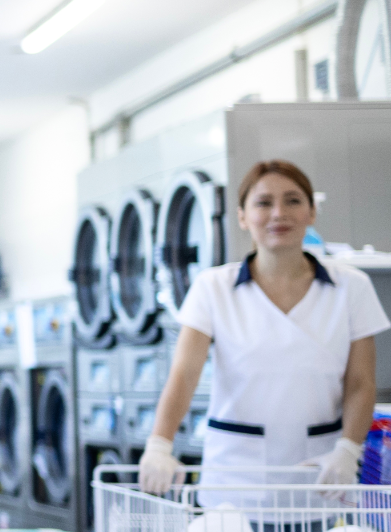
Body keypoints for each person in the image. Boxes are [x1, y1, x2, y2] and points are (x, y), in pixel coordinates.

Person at [137, 160, 387, 504]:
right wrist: (159, 444)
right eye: (264, 202)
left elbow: (361, 382)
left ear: (312, 212)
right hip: (234, 479)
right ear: (242, 217)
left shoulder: (351, 287)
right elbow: (185, 373)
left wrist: (348, 450)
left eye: (293, 200)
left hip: (319, 475)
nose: (279, 213)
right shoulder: (213, 287)